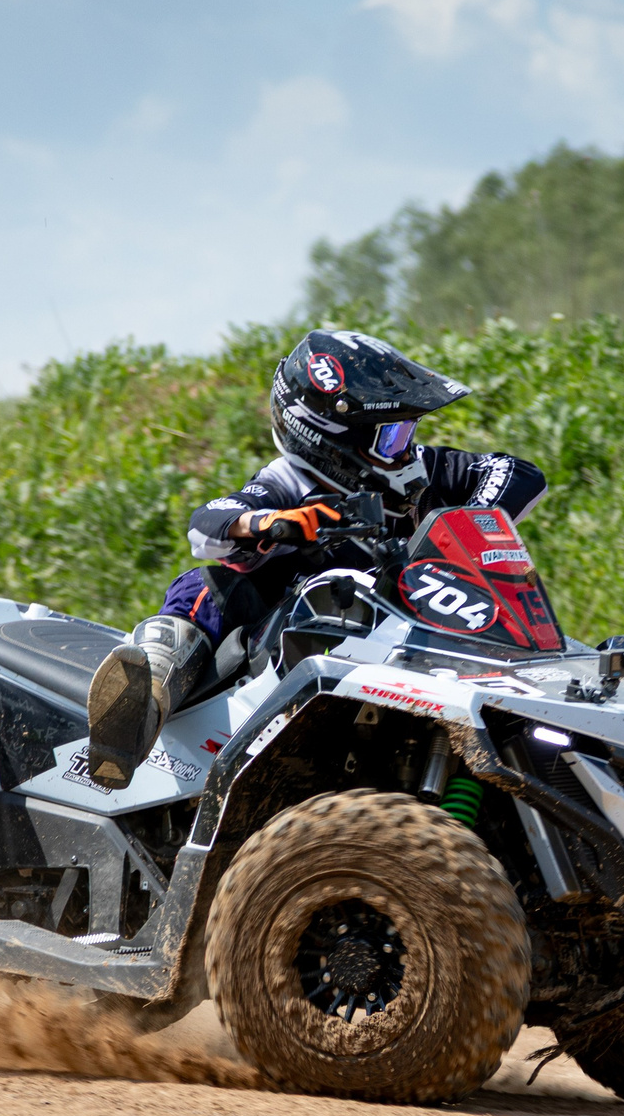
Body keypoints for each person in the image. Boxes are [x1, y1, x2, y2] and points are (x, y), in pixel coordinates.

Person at [82, 329, 546, 788]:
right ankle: (140, 703)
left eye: (406, 432)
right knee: (206, 586)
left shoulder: (420, 469)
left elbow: (518, 472)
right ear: (329, 436)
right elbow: (209, 523)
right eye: (390, 437)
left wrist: (461, 519)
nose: (403, 448)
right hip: (295, 641)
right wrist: (269, 523)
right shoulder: (286, 481)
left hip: (414, 638)